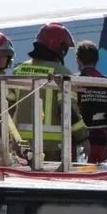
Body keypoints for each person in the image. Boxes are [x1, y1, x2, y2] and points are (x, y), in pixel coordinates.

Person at [10, 22, 89, 165]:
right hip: (50, 147)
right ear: (58, 47)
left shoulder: (19, 70)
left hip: (20, 146)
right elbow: (69, 110)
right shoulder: (61, 72)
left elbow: (8, 107)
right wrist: (83, 138)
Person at [75, 41, 107, 164]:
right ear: (97, 60)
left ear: (77, 60)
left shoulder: (72, 82)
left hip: (81, 142)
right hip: (103, 142)